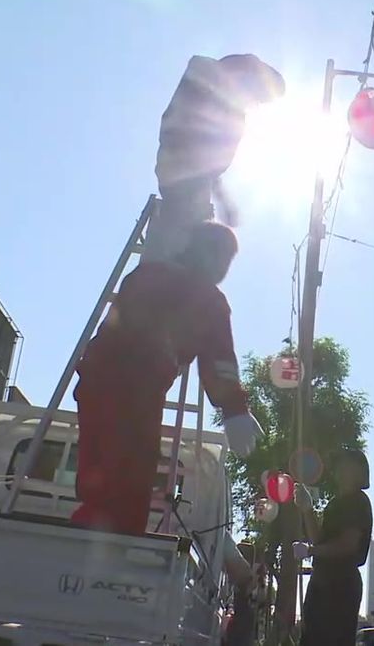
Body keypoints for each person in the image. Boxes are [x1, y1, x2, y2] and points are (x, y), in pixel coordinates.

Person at [70, 220, 262, 535]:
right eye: (224, 258)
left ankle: (89, 528)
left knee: (100, 473)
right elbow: (219, 363)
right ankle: (109, 546)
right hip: (137, 392)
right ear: (209, 253)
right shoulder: (209, 300)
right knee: (130, 483)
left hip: (96, 383)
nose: (224, 268)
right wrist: (235, 410)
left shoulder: (144, 277)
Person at [292, 449, 374, 646]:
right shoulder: (335, 504)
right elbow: (319, 539)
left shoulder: (358, 502)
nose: (338, 469)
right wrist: (307, 509)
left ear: (357, 470)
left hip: (341, 585)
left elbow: (348, 546)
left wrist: (311, 551)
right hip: (322, 582)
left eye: (344, 464)